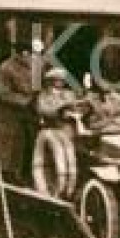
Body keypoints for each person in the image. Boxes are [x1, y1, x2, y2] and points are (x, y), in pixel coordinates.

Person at [0, 38, 44, 181]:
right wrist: (25, 101)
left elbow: (38, 88)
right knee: (11, 143)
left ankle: (28, 174)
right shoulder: (6, 68)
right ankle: (8, 174)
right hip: (10, 113)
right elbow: (4, 94)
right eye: (31, 54)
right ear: (23, 53)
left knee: (32, 140)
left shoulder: (35, 67)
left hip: (30, 113)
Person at [31, 66, 85, 197]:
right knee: (59, 147)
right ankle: (55, 186)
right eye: (56, 80)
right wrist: (61, 111)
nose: (60, 82)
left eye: (61, 80)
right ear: (50, 81)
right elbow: (43, 110)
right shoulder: (43, 96)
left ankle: (74, 184)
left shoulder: (69, 94)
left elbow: (79, 106)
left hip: (70, 130)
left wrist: (76, 112)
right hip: (51, 128)